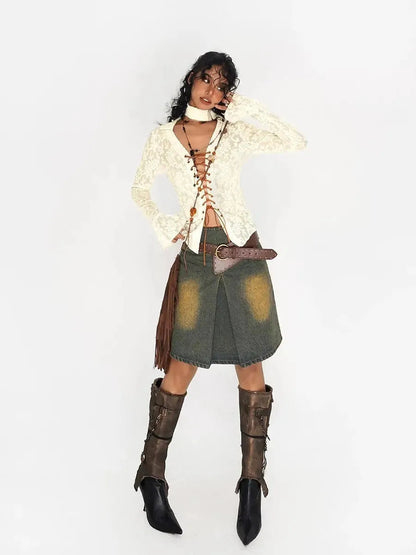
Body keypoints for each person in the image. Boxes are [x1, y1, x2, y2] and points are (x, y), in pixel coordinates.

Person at [130, 51, 307, 545]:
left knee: (251, 363)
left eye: (222, 84)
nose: (211, 90)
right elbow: (140, 189)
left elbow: (294, 140)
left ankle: (251, 485)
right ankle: (151, 475)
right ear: (191, 80)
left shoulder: (235, 133)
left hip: (243, 256)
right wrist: (166, 224)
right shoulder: (163, 139)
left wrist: (243, 107)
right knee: (181, 364)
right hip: (198, 260)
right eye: (205, 79)